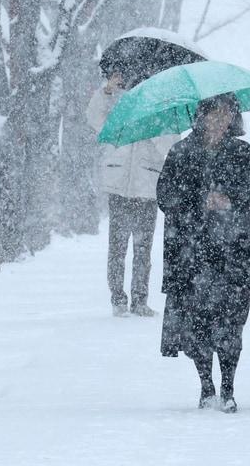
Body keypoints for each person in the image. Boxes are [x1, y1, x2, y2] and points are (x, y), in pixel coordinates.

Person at [157, 95, 250, 413]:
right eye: (213, 114)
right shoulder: (180, 152)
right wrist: (197, 198)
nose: (220, 121)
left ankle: (228, 387)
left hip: (233, 252)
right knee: (198, 325)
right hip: (191, 251)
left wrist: (231, 199)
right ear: (201, 117)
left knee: (232, 324)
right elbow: (164, 195)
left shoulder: (243, 152)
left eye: (226, 114)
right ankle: (206, 385)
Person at [85, 70, 175, 317]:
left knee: (143, 249)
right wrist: (106, 91)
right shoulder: (119, 114)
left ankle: (139, 300)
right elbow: (94, 118)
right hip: (119, 188)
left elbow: (170, 145)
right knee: (117, 248)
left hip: (147, 189)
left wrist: (154, 125)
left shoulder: (162, 116)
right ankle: (118, 299)